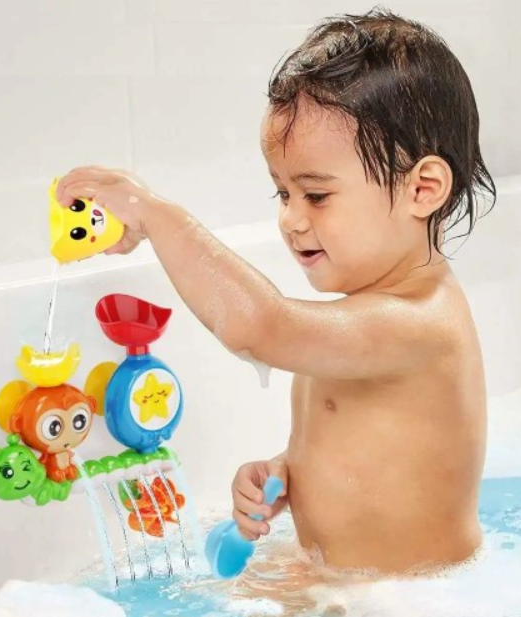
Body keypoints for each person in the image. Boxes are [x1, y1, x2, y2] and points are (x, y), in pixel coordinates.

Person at [57, 7, 495, 575]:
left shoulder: (421, 321)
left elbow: (261, 327)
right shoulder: (359, 320)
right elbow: (370, 449)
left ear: (423, 189)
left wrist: (155, 215)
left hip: (413, 596)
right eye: (282, 194)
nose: (290, 219)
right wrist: (287, 471)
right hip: (347, 582)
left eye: (316, 196)